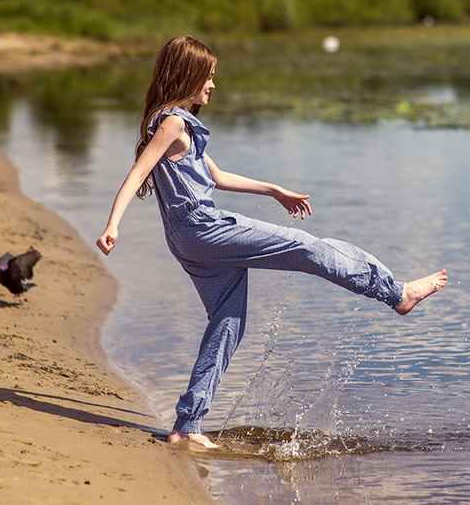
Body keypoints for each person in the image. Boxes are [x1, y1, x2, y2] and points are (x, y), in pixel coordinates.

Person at [96, 35, 447, 449]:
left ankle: (187, 426)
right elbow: (138, 173)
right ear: (187, 76)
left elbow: (218, 177)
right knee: (306, 248)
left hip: (188, 241)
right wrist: (113, 224)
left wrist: (273, 190)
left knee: (227, 325)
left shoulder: (176, 123)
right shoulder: (172, 122)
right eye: (208, 78)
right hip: (205, 229)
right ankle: (395, 292)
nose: (213, 86)